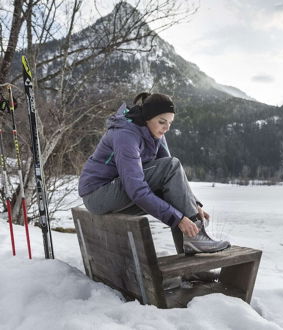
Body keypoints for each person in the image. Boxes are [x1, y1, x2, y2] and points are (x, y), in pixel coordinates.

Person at [78, 92, 230, 255]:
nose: (167, 127)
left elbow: (173, 178)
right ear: (147, 117)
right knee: (172, 168)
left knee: (172, 191)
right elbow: (140, 187)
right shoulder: (126, 135)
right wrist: (180, 219)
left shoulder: (155, 133)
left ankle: (191, 259)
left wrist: (194, 204)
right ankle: (196, 236)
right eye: (162, 122)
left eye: (170, 123)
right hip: (98, 194)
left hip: (116, 192)